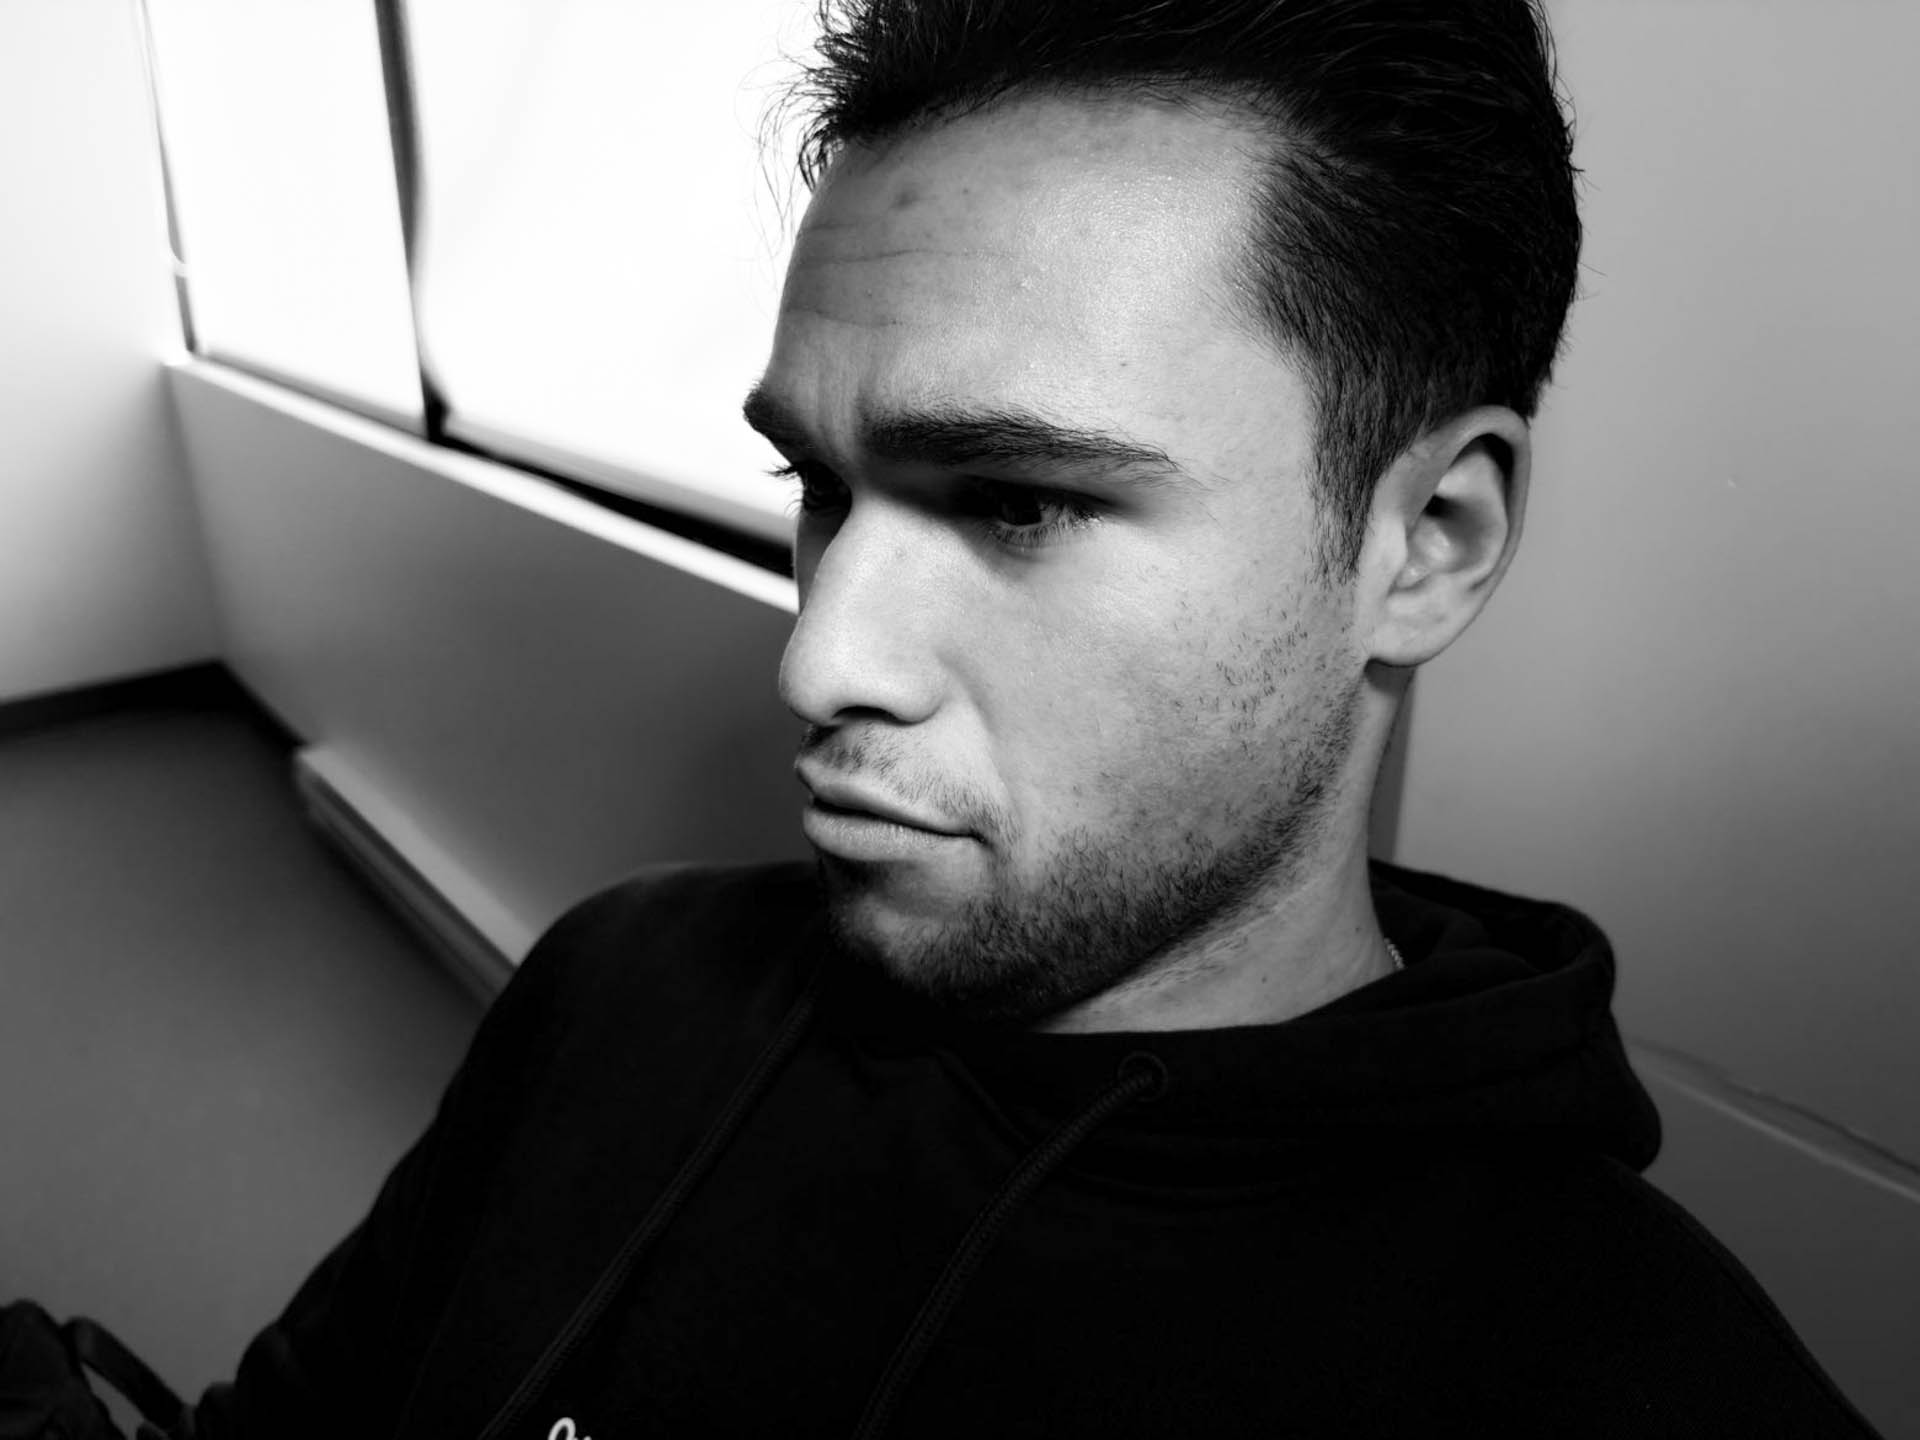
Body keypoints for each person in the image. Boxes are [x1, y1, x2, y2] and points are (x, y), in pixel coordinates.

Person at [180, 1, 1883, 1436]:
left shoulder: (1639, 1387)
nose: (820, 661)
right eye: (816, 485)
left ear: (1425, 545)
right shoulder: (615, 985)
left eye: (1020, 504)